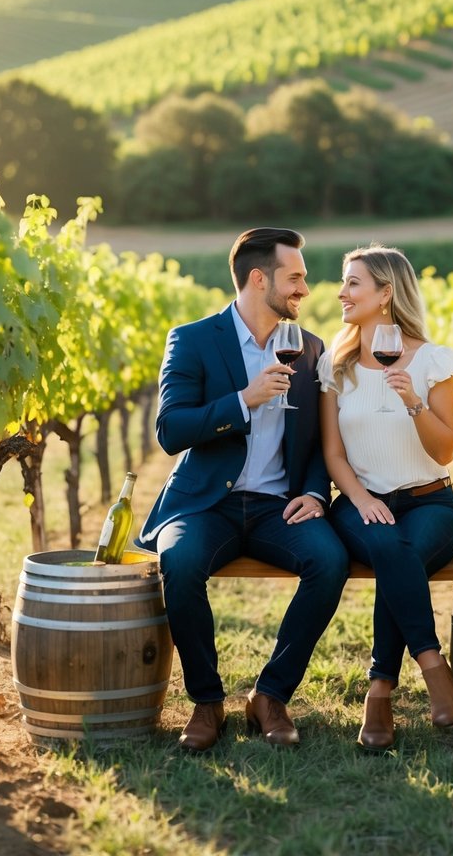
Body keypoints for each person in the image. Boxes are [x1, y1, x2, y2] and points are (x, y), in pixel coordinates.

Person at [137, 227, 349, 752]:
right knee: (180, 563)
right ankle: (207, 702)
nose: (305, 288)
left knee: (330, 561)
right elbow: (171, 430)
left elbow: (324, 440)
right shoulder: (193, 339)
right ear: (259, 279)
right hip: (208, 502)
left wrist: (316, 494)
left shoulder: (309, 347)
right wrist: (242, 401)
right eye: (295, 277)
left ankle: (271, 695)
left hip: (281, 506)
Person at [318, 244, 453, 751]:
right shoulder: (334, 367)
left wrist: (412, 401)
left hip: (431, 504)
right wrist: (360, 500)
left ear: (386, 293)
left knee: (397, 554)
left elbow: (445, 451)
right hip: (362, 502)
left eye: (353, 282)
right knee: (391, 549)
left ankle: (379, 691)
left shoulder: (433, 360)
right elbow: (333, 454)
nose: (342, 292)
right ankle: (431, 664)